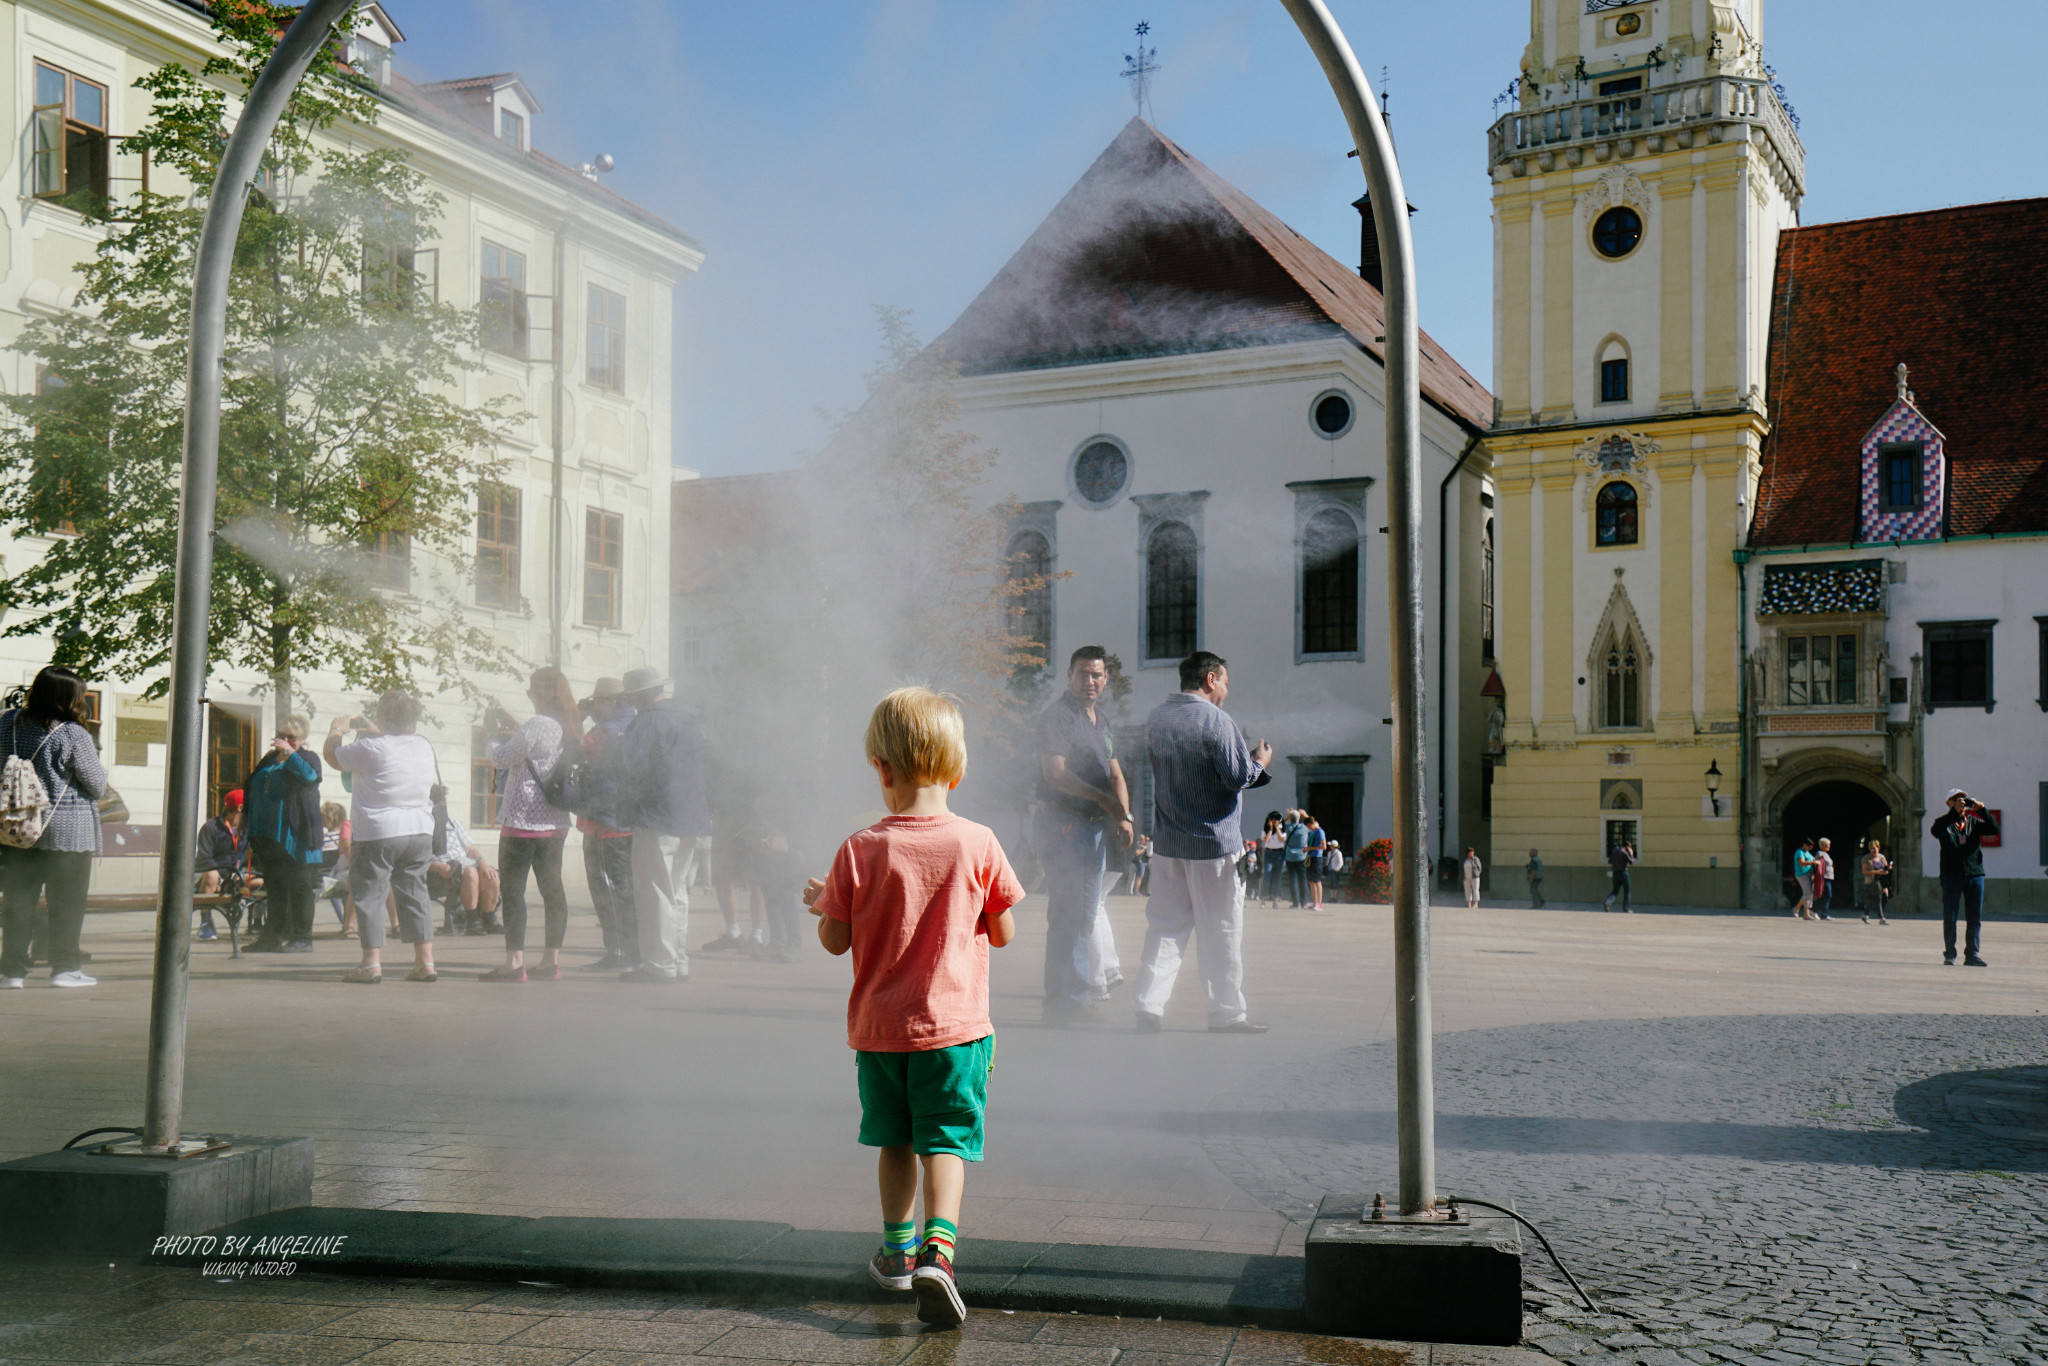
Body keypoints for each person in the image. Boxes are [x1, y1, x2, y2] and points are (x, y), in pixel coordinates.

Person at [803, 686, 1022, 1328]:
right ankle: (939, 1252)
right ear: (956, 770)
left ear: (883, 769)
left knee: (894, 1140)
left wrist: (828, 902)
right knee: (945, 1141)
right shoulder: (978, 841)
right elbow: (1004, 932)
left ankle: (897, 1253)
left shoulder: (859, 847)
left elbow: (835, 939)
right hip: (955, 1032)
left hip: (879, 1033)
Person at [1133, 652, 1272, 1034]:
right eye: (1225, 682)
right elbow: (1238, 777)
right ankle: (1227, 1013)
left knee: (1164, 927)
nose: (1226, 690)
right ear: (1211, 679)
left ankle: (1149, 1005)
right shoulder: (1217, 720)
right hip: (1214, 845)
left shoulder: (1156, 718)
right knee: (1222, 930)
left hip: (1168, 843)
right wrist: (1260, 761)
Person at [1032, 646, 1134, 1026]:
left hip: (1094, 826)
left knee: (1084, 914)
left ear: (1106, 679)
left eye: (1097, 675)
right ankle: (1064, 1002)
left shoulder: (1101, 721)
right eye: (1083, 674)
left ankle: (1075, 995)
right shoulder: (1057, 718)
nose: (1090, 681)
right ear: (1069, 676)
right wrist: (1103, 801)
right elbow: (1055, 774)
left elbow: (1116, 775)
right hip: (1064, 823)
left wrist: (1124, 817)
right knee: (1067, 914)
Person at [0, 665, 109, 989]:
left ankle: (13, 972)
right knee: (67, 905)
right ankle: (65, 969)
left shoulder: (8, 723)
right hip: (68, 832)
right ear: (68, 698)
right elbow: (96, 785)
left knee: (18, 902)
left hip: (18, 830)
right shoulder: (73, 734)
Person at [324, 690, 439, 984]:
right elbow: (396, 742)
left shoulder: (373, 748)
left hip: (378, 831)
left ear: (384, 716)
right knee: (416, 893)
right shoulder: (424, 745)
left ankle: (371, 964)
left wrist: (337, 729)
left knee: (370, 895)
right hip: (419, 829)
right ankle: (425, 962)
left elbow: (332, 757)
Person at [481, 668, 580, 983]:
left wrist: (489, 736)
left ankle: (513, 963)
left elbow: (502, 758)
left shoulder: (538, 724)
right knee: (553, 891)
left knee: (513, 892)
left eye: (530, 692)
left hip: (523, 819)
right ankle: (551, 962)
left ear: (539, 694)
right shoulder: (570, 726)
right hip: (555, 822)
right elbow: (538, 751)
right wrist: (515, 725)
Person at [615, 666, 712, 984]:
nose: (629, 702)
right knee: (678, 890)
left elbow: (631, 767)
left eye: (631, 696)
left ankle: (659, 964)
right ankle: (677, 959)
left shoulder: (648, 721)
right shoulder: (691, 721)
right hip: (691, 816)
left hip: (656, 816)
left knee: (654, 890)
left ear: (640, 694)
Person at [243, 717, 324, 953]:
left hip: (296, 835)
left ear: (302, 739)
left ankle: (302, 938)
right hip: (268, 835)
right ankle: (272, 936)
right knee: (275, 886)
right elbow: (251, 785)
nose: (286, 740)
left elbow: (310, 776)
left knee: (299, 886)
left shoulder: (307, 758)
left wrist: (291, 754)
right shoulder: (268, 759)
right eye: (283, 735)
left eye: (293, 737)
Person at [577, 677, 638, 970]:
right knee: (626, 889)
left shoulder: (602, 732)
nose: (595, 707)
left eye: (598, 701)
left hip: (603, 822)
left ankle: (618, 951)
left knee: (605, 889)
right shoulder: (635, 724)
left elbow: (574, 754)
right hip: (626, 821)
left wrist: (576, 719)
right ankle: (630, 949)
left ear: (611, 702)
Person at [1932, 788, 1998, 967]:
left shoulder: (1973, 822)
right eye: (1956, 799)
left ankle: (1972, 955)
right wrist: (1955, 814)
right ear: (1949, 803)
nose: (1961, 801)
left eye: (1963, 799)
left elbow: (1993, 829)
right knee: (1950, 916)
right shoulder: (1944, 822)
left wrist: (1982, 810)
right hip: (1951, 875)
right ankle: (1950, 954)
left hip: (1975, 874)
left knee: (1975, 917)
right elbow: (1935, 831)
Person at [194, 790, 258, 942]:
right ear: (239, 808)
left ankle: (229, 897)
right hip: (209, 875)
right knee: (211, 875)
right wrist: (224, 873)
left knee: (259, 880)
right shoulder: (211, 827)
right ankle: (206, 922)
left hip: (234, 875)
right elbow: (204, 858)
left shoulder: (245, 829)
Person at [426, 809, 490, 934]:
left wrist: (483, 864)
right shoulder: (422, 824)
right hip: (439, 871)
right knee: (470, 872)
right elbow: (416, 858)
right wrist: (435, 866)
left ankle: (489, 920)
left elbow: (469, 848)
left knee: (490, 875)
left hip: (463, 863)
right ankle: (472, 921)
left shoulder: (451, 821)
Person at [318, 801, 354, 936]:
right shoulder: (349, 835)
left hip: (326, 876)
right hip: (343, 873)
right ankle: (346, 922)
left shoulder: (323, 839)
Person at [1860, 839, 1892, 926]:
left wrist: (1888, 868)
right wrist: (1876, 872)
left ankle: (1865, 914)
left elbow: (1886, 871)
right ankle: (1881, 918)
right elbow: (1864, 871)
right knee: (1877, 898)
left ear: (1878, 848)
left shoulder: (1882, 857)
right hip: (1872, 881)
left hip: (1881, 881)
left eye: (1875, 848)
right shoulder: (1866, 858)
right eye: (1871, 848)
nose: (1873, 850)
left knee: (1876, 899)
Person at [1282, 810, 1310, 909]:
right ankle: (1304, 902)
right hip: (1302, 856)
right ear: (1299, 818)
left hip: (1290, 856)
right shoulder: (1304, 828)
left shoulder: (1288, 828)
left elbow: (1279, 824)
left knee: (1292, 879)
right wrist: (1305, 816)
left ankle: (1295, 903)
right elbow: (1314, 825)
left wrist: (1288, 817)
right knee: (1303, 879)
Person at [1258, 813, 1285, 906]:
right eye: (1272, 819)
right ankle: (1264, 899)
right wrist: (1270, 829)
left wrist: (1277, 828)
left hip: (1279, 853)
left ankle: (1275, 899)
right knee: (1267, 875)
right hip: (1269, 853)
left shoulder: (1282, 829)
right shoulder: (1265, 830)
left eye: (1276, 820)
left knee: (1277, 876)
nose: (1274, 821)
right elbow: (1266, 840)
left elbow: (1281, 839)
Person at [1603, 839, 1635, 913]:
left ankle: (1607, 902)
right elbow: (1631, 862)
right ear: (1627, 847)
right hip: (1623, 873)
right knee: (1627, 891)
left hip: (1615, 873)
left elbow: (1609, 861)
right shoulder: (1624, 852)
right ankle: (1626, 909)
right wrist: (1631, 854)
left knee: (1615, 890)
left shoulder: (1614, 851)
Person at [1303, 816, 1328, 912]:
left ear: (1311, 824)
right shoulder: (1313, 831)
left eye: (1309, 827)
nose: (1309, 829)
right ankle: (1315, 902)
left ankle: (1319, 903)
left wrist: (1310, 848)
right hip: (1310, 857)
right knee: (1311, 881)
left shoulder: (1320, 832)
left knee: (1317, 880)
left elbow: (1324, 846)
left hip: (1317, 857)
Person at [1791, 838, 1818, 920]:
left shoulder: (1807, 853)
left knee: (1807, 893)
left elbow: (1813, 859)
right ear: (1805, 845)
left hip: (1809, 874)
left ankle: (1796, 909)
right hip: (1802, 874)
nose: (1810, 848)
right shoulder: (1799, 852)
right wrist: (1813, 862)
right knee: (1808, 893)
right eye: (1809, 846)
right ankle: (1806, 913)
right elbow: (1802, 863)